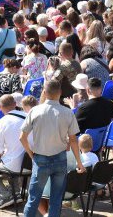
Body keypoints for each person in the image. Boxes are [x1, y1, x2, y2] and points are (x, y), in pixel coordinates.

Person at [20, 79, 84, 217]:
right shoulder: (67, 113)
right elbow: (73, 140)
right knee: (56, 199)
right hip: (60, 159)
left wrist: (31, 154)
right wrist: (79, 163)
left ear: (44, 91)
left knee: (33, 198)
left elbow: (22, 137)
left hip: (40, 158)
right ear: (60, 93)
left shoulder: (35, 111)